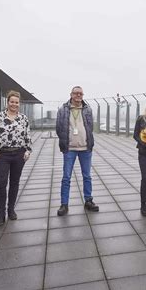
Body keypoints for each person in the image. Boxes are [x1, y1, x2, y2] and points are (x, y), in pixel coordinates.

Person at [0, 90, 32, 227]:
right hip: (2, 155)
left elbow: (27, 136)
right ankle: (1, 215)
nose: (14, 104)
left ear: (19, 104)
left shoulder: (23, 118)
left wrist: (28, 150)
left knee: (14, 182)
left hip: (19, 154)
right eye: (12, 101)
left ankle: (11, 210)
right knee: (1, 184)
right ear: (7, 102)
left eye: (16, 102)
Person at [56, 86, 99, 216]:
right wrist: (66, 141)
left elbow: (90, 127)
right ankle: (64, 204)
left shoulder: (87, 109)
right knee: (66, 177)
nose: (78, 95)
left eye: (80, 93)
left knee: (87, 176)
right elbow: (59, 128)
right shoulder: (63, 110)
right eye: (76, 93)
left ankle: (88, 200)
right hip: (70, 149)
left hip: (85, 149)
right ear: (71, 94)